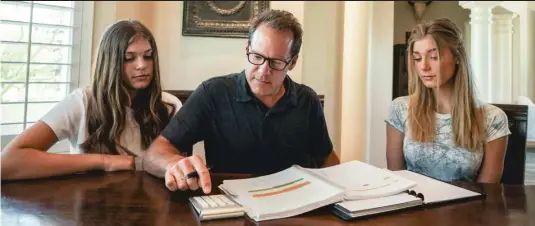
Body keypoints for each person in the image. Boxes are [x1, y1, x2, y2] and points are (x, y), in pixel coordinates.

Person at [143, 9, 339, 193]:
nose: (263, 71)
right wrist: (173, 164)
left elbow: (327, 159)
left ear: (292, 63)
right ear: (247, 50)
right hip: (230, 206)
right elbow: (154, 154)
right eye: (257, 57)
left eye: (276, 62)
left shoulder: (307, 101)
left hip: (292, 207)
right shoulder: (213, 93)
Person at [1, 19, 181, 180]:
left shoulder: (170, 106)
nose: (142, 65)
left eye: (147, 56)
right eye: (129, 58)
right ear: (110, 63)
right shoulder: (82, 103)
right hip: (92, 210)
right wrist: (104, 161)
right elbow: (7, 163)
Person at [386, 18, 511, 183]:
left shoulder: (493, 118)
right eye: (417, 58)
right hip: (413, 206)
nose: (424, 66)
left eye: (433, 57)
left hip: (467, 208)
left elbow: (488, 193)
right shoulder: (400, 109)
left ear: (456, 57)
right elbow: (396, 181)